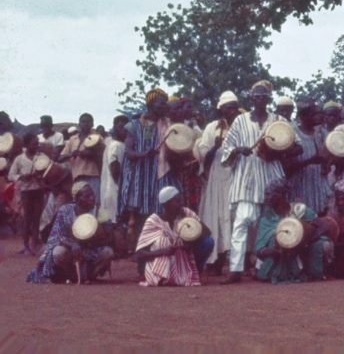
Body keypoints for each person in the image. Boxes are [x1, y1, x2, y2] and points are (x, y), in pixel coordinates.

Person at [219, 81, 287, 285]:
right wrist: (239, 150)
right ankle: (235, 270)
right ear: (251, 99)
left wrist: (276, 150)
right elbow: (226, 147)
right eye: (257, 96)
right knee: (241, 224)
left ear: (268, 99)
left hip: (271, 178)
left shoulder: (278, 121)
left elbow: (295, 146)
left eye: (264, 96)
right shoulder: (240, 121)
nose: (260, 99)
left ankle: (264, 269)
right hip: (246, 180)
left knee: (271, 227)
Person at [26, 182, 114, 284]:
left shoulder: (99, 212)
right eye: (87, 196)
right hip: (71, 250)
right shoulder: (65, 211)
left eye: (92, 195)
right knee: (58, 252)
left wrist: (90, 243)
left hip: (91, 250)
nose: (92, 198)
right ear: (76, 199)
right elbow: (57, 236)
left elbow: (109, 237)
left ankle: (89, 275)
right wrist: (72, 244)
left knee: (108, 252)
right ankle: (72, 275)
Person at [120, 89, 179, 234]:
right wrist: (144, 154)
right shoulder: (134, 125)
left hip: (162, 174)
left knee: (163, 210)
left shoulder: (169, 126)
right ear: (151, 104)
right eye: (161, 103)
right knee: (142, 214)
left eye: (166, 103)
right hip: (141, 176)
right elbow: (128, 152)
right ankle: (142, 249)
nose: (165, 106)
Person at [252, 177, 329, 283]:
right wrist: (268, 251)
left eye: (268, 194)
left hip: (300, 252)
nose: (265, 198)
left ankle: (312, 271)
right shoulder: (267, 218)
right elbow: (258, 246)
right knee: (277, 239)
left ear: (279, 195)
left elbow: (323, 226)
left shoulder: (299, 210)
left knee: (323, 244)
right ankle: (274, 272)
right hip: (276, 254)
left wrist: (304, 242)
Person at [194, 91, 240, 270]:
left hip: (237, 175)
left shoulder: (241, 125)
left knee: (235, 217)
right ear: (221, 110)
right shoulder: (211, 127)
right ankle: (217, 259)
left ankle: (236, 259)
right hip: (217, 177)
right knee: (218, 217)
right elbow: (202, 155)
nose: (233, 111)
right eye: (229, 108)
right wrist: (215, 146)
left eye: (235, 108)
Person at [132, 185, 211, 286]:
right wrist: (164, 251)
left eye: (181, 200)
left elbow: (207, 232)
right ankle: (161, 276)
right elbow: (140, 254)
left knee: (208, 242)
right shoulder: (153, 221)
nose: (180, 204)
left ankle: (196, 271)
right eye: (176, 201)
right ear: (166, 205)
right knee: (163, 242)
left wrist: (190, 238)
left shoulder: (185, 213)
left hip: (184, 258)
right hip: (162, 260)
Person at [287, 97, 330, 217]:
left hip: (318, 183)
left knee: (320, 216)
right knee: (300, 217)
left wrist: (326, 164)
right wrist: (310, 161)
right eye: (314, 114)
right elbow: (288, 168)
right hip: (299, 184)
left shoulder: (322, 132)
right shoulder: (292, 133)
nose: (318, 117)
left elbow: (329, 156)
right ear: (304, 116)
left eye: (319, 113)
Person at [10, 132, 44, 255]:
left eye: (37, 144)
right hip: (26, 192)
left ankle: (33, 245)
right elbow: (11, 175)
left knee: (36, 219)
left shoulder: (41, 157)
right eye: (34, 144)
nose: (37, 146)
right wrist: (22, 177)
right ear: (26, 145)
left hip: (39, 190)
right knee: (27, 219)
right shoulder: (19, 159)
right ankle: (26, 246)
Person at [57, 113, 102, 201]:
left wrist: (90, 154)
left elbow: (102, 155)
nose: (85, 124)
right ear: (79, 124)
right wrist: (71, 154)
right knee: (78, 203)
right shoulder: (72, 139)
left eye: (88, 122)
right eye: (83, 121)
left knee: (94, 203)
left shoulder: (97, 138)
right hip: (77, 177)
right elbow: (60, 158)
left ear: (92, 124)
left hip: (93, 176)